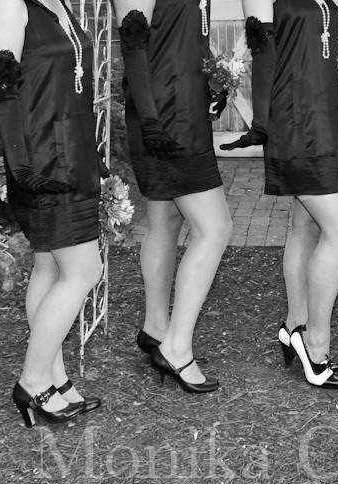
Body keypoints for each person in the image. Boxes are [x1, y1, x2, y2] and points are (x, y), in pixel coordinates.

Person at [222, 0, 338, 389]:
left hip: (327, 115)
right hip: (296, 122)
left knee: (307, 226)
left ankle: (295, 323)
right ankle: (315, 343)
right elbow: (264, 56)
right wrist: (262, 124)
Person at [0, 0, 103, 427]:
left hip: (74, 154)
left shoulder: (61, 5)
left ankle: (55, 378)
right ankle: (32, 380)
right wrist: (21, 168)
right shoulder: (10, 5)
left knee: (50, 267)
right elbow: (3, 92)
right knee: (84, 271)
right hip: (43, 161)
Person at [112, 0, 232, 393]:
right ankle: (176, 349)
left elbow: (183, 34)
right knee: (215, 229)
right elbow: (133, 44)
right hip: (164, 114)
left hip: (185, 107)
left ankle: (156, 328)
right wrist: (150, 120)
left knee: (166, 219)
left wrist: (213, 81)